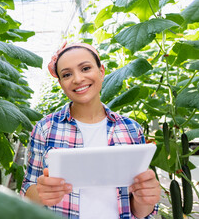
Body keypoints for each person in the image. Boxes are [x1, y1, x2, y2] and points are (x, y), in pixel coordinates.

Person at [20, 42, 160, 219]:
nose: (78, 79)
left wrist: (145, 198)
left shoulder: (131, 129)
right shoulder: (45, 128)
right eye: (67, 74)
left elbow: (140, 211)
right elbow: (27, 192)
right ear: (61, 83)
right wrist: (41, 194)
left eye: (85, 68)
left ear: (101, 72)